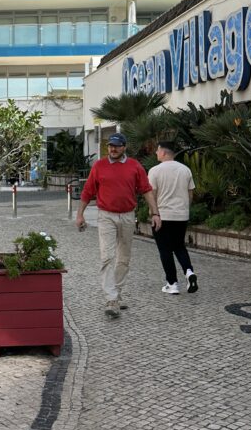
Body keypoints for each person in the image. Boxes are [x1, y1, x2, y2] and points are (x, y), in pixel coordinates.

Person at [75, 133, 161, 319]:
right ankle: (111, 300)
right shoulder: (99, 166)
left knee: (124, 258)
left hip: (128, 216)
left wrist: (155, 213)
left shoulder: (134, 166)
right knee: (107, 256)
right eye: (110, 146)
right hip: (106, 216)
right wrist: (80, 215)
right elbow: (88, 191)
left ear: (124, 147)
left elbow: (146, 190)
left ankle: (117, 292)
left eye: (116, 146)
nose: (112, 149)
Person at [148, 141, 198, 295]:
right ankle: (189, 272)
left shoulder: (155, 171)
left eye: (157, 151)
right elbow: (190, 194)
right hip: (181, 215)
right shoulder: (185, 170)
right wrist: (183, 209)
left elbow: (152, 194)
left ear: (163, 152)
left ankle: (172, 283)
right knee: (179, 246)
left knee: (165, 250)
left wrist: (153, 213)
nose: (156, 153)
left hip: (162, 215)